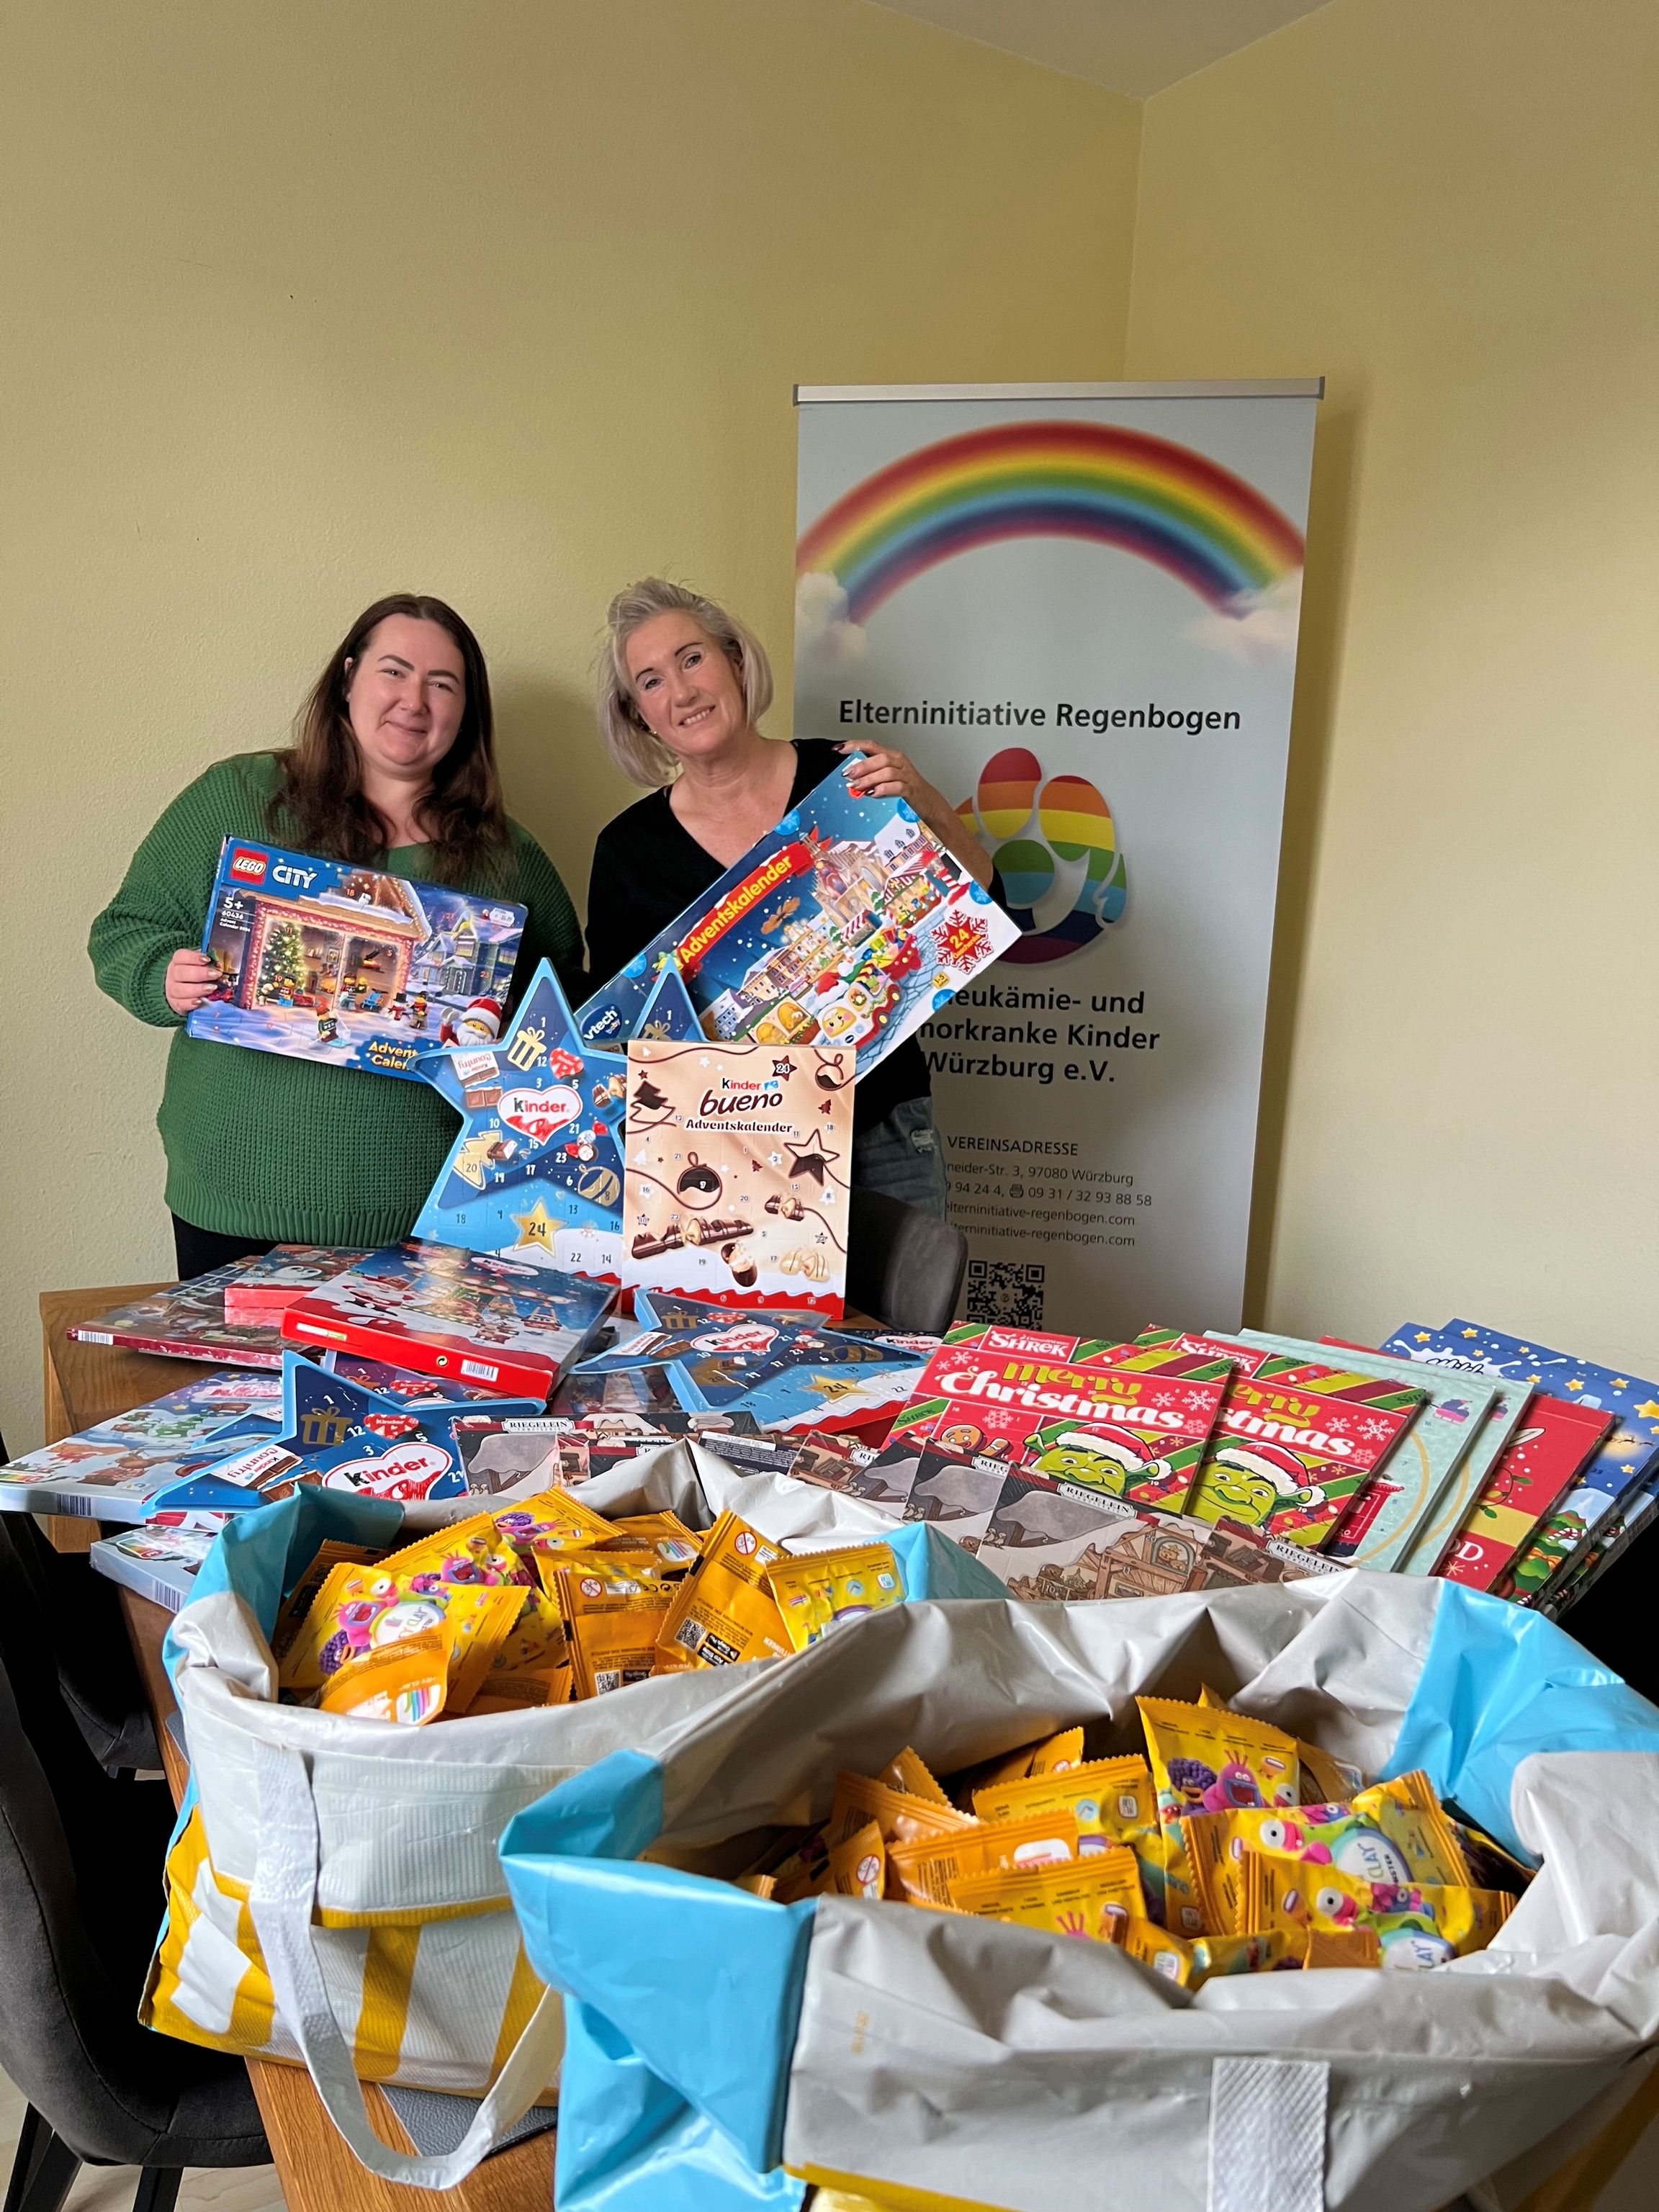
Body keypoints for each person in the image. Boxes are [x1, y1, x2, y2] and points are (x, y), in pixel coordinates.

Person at [90, 593, 584, 1278]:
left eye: (443, 685)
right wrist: (160, 976)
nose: (415, 700)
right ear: (348, 678)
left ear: (466, 714)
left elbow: (566, 1011)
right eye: (394, 671)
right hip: (233, 1202)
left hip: (432, 1222)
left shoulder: (507, 858)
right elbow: (126, 929)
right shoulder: (240, 796)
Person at [586, 577, 1000, 1218]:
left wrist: (922, 797)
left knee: (906, 1320)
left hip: (884, 1128)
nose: (683, 691)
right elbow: (623, 1039)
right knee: (762, 1323)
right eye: (651, 680)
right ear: (638, 714)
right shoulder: (625, 853)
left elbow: (982, 894)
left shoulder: (844, 779)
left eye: (693, 658)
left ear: (736, 661)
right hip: (735, 1155)